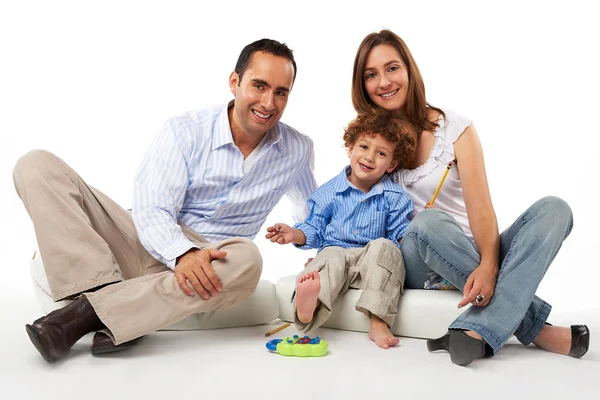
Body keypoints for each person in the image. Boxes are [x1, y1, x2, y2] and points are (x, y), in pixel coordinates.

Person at [13, 38, 317, 364]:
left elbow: (313, 212)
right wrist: (181, 253)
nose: (269, 102)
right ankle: (120, 304)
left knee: (250, 259)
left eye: (281, 92)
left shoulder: (298, 150)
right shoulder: (186, 130)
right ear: (234, 82)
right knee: (35, 165)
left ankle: (82, 314)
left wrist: (316, 252)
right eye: (259, 85)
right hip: (142, 240)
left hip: (214, 262)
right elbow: (152, 207)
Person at [350, 29, 589, 365]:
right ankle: (539, 330)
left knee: (555, 210)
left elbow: (481, 209)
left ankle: (473, 333)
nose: (384, 82)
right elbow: (352, 206)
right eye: (371, 75)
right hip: (420, 259)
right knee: (427, 223)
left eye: (392, 68)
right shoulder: (368, 142)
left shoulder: (454, 127)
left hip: (473, 252)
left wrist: (489, 265)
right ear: (363, 86)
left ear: (408, 70)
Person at [266, 112, 416, 349]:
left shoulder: (395, 197)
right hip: (336, 256)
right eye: (364, 146)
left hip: (370, 261)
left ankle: (378, 319)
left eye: (381, 153)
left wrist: (418, 232)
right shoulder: (329, 192)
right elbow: (314, 228)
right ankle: (308, 309)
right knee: (327, 258)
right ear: (350, 148)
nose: (369, 157)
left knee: (386, 248)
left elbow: (399, 236)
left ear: (392, 165)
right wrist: (293, 234)